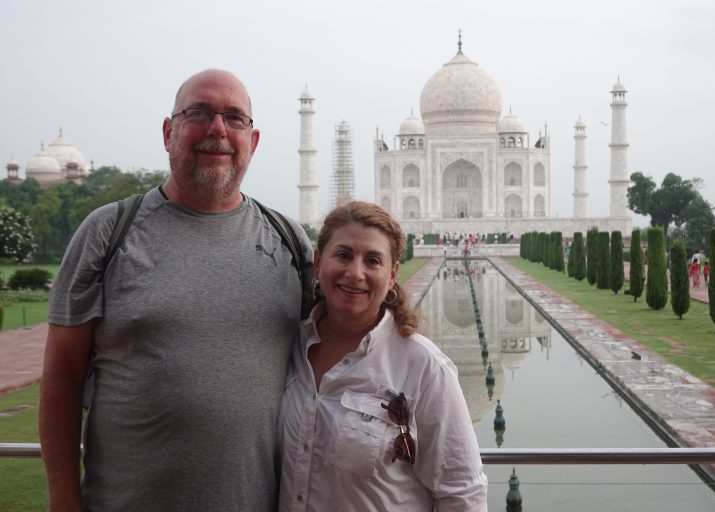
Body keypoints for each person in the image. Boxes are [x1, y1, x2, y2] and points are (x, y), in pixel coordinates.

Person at [39, 69, 312, 512]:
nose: (217, 129)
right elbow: (61, 379)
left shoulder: (288, 240)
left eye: (234, 118)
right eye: (199, 113)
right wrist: (64, 501)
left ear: (254, 140)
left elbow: (331, 365)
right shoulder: (108, 233)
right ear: (169, 132)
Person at [279, 201, 487, 511]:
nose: (355, 273)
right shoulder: (288, 345)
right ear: (318, 260)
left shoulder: (423, 366)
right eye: (343, 255)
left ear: (391, 274)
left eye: (372, 260)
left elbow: (462, 494)